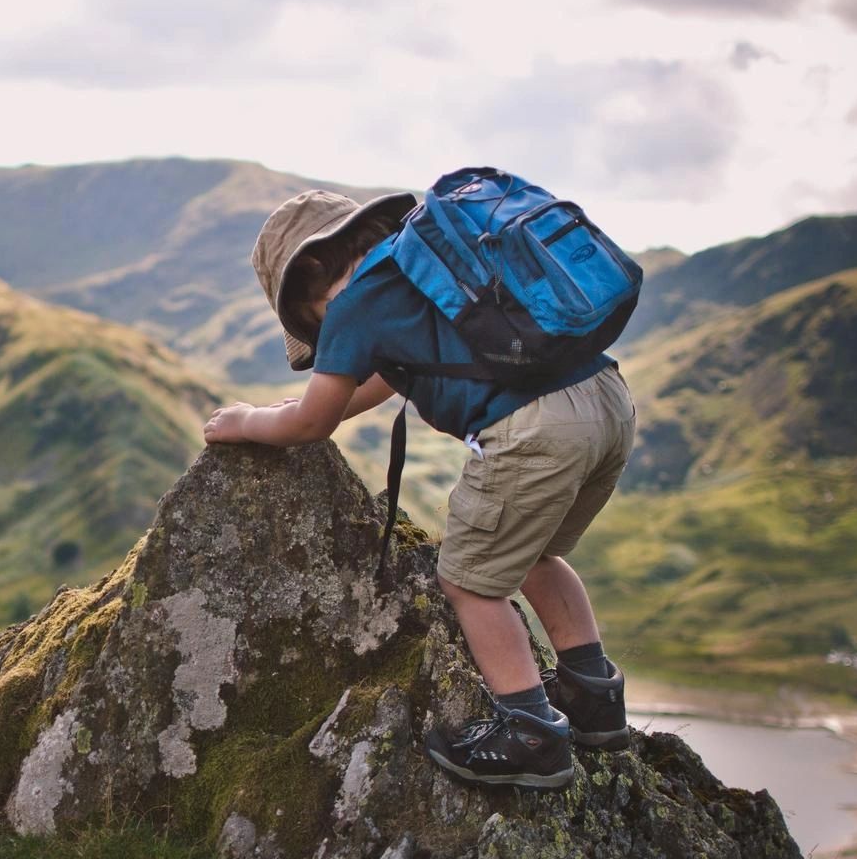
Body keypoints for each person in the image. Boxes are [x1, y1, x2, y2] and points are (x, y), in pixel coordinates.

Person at [203, 189, 637, 789]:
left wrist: (248, 420)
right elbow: (380, 380)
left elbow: (312, 423)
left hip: (535, 430)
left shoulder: (355, 304)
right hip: (607, 400)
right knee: (537, 553)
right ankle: (594, 697)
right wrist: (297, 404)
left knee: (469, 584)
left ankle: (532, 732)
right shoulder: (424, 266)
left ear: (307, 282)